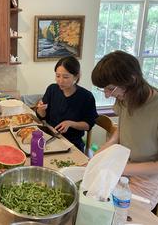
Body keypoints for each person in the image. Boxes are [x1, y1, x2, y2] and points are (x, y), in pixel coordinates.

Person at [91, 50, 158, 210]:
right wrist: (102, 153)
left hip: (148, 176)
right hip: (124, 162)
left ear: (131, 80)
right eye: (104, 90)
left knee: (121, 214)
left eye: (111, 89)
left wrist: (121, 168)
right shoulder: (124, 98)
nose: (107, 96)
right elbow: (121, 131)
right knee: (95, 201)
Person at [36, 56, 98, 152]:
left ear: (76, 77)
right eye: (57, 76)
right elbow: (42, 117)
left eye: (65, 77)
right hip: (50, 138)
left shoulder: (86, 96)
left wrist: (70, 123)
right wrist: (41, 109)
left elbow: (88, 124)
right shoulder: (52, 89)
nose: (60, 81)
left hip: (72, 144)